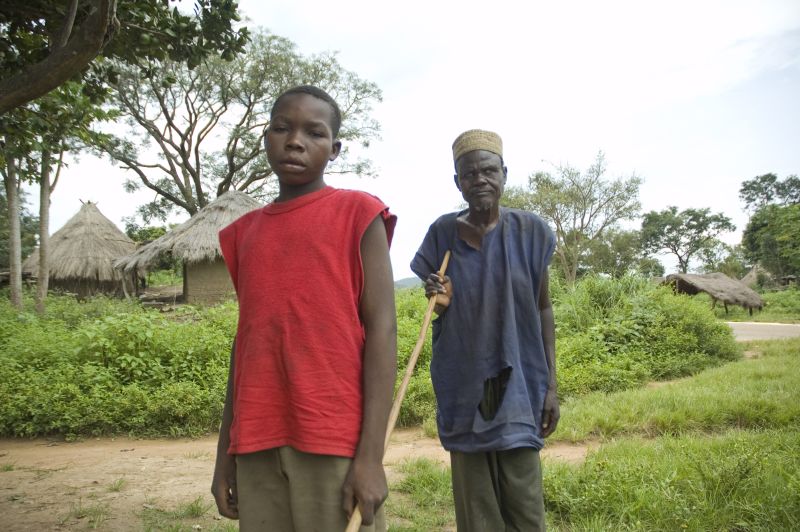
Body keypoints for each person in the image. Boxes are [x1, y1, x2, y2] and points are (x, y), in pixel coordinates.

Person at [211, 85, 397, 531]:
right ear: (266, 139)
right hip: (256, 442)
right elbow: (248, 344)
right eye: (282, 128)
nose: (295, 141)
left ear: (334, 149)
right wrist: (225, 456)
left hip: (333, 438)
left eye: (314, 133)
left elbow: (383, 329)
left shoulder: (358, 213)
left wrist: (370, 457)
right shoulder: (243, 234)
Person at [410, 129, 559, 531]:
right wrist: (439, 297)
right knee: (477, 516)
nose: (480, 180)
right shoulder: (441, 235)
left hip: (519, 385)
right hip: (465, 387)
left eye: (488, 170)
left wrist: (551, 386)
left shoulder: (531, 232)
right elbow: (438, 305)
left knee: (526, 509)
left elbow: (543, 308)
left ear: (504, 173)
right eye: (469, 174)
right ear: (457, 182)